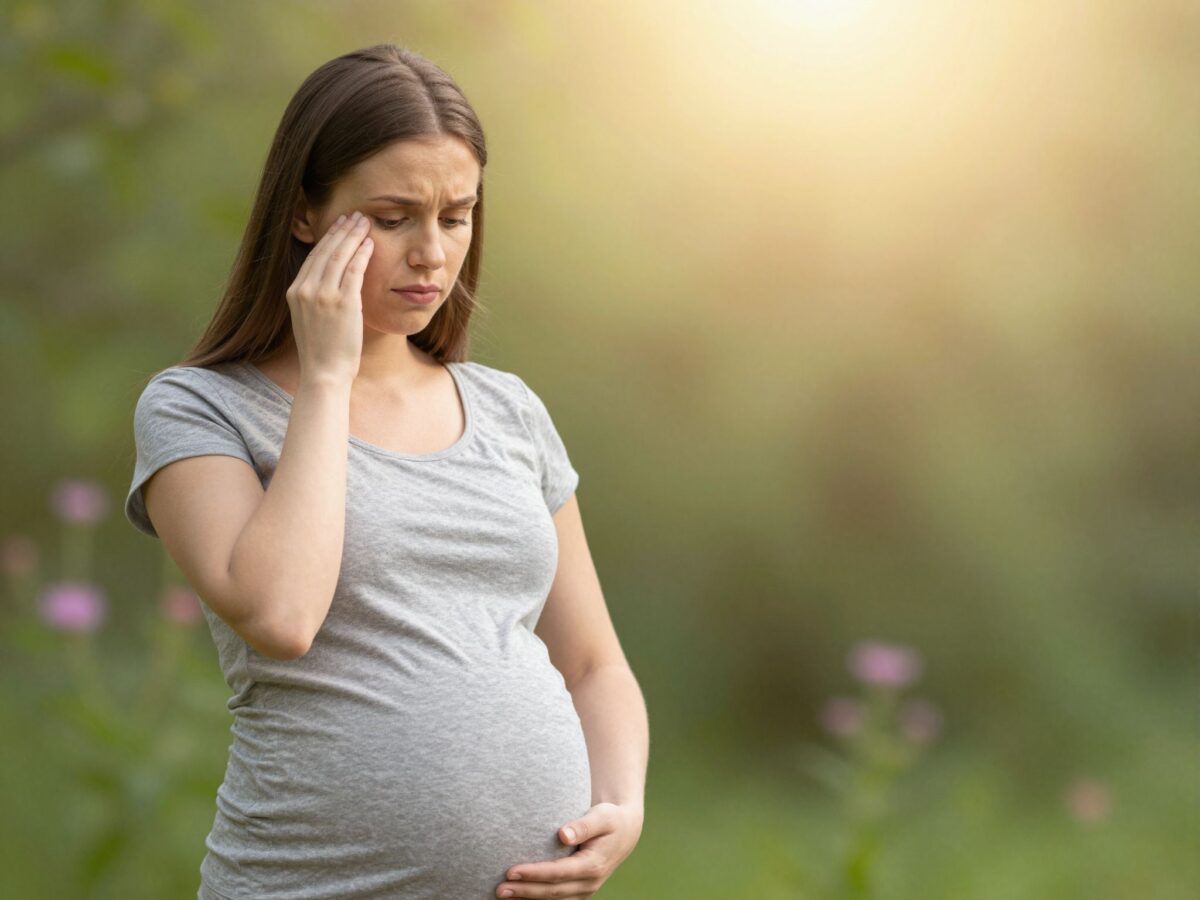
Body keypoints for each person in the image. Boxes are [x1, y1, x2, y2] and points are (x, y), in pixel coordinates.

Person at [123, 44, 648, 899]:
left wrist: (622, 806)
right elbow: (280, 615)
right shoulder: (199, 408)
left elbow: (593, 663)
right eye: (394, 218)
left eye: (457, 216)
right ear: (305, 214)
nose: (432, 253)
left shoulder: (508, 410)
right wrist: (328, 377)